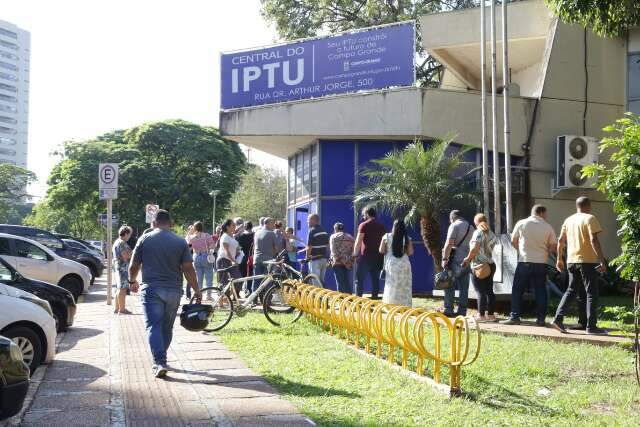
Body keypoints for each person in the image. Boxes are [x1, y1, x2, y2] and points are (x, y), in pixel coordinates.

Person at [128, 209, 201, 378]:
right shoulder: (180, 241)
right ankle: (161, 358)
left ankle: (159, 361)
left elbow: (134, 265)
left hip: (151, 289)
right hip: (174, 290)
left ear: (153, 223)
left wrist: (132, 282)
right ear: (171, 223)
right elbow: (188, 269)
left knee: (153, 325)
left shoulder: (144, 238)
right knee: (167, 327)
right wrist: (197, 290)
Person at [551, 197, 607, 334]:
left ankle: (561, 319)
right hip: (586, 261)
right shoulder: (590, 218)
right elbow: (593, 239)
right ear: (589, 205)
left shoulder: (568, 220)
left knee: (573, 291)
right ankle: (591, 327)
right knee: (592, 293)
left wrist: (559, 259)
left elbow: (560, 240)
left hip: (571, 260)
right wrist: (601, 260)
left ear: (577, 206)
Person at [502, 205, 557, 326]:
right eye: (545, 214)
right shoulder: (548, 227)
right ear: (542, 213)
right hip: (541, 263)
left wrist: (520, 251)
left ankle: (515, 317)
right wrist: (545, 253)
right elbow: (553, 246)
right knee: (540, 291)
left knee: (517, 290)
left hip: (524, 261)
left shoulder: (522, 223)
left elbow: (513, 241)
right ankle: (541, 319)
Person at [462, 214, 498, 322]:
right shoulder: (491, 233)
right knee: (489, 291)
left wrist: (467, 259)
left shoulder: (478, 232)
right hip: (491, 265)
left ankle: (481, 315)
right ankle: (491, 315)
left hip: (479, 266)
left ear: (476, 222)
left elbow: (474, 248)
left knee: (480, 291)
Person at [441, 210, 473, 317]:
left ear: (452, 218)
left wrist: (445, 259)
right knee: (464, 287)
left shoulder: (454, 226)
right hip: (467, 260)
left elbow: (449, 244)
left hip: (454, 259)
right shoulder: (471, 227)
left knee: (449, 284)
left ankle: (449, 310)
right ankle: (462, 311)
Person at [353, 207, 386, 298]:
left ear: (367, 214)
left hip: (366, 257)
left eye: (363, 215)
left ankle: (358, 300)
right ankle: (374, 299)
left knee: (359, 280)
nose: (363, 217)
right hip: (378, 257)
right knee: (375, 280)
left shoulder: (363, 225)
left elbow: (358, 241)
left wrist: (355, 254)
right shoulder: (381, 226)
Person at [379, 219, 413, 306]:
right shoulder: (407, 238)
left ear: (393, 226)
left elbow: (381, 250)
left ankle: (390, 304)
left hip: (392, 263)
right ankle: (404, 304)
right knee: (404, 285)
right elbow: (410, 252)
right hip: (404, 263)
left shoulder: (386, 236)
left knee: (391, 284)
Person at [185, 221, 215, 299]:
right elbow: (212, 245)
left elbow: (187, 244)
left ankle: (199, 294)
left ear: (194, 228)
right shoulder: (206, 236)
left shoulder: (192, 237)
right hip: (206, 256)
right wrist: (210, 251)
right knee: (209, 277)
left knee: (199, 278)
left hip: (196, 257)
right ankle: (208, 295)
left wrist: (190, 232)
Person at [253, 217, 277, 298]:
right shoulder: (272, 233)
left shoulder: (257, 233)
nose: (273, 225)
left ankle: (254, 299)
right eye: (272, 223)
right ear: (267, 223)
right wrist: (273, 256)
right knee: (268, 280)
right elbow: (275, 248)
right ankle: (267, 299)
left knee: (256, 279)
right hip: (268, 260)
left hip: (257, 259)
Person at [112, 226, 133, 314]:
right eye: (129, 234)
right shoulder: (122, 243)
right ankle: (122, 309)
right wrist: (132, 255)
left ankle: (117, 308)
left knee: (118, 288)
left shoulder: (116, 242)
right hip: (122, 268)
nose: (130, 237)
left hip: (117, 267)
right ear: (126, 234)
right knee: (123, 289)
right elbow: (125, 255)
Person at [329, 223, 355, 293]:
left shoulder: (333, 237)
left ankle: (347, 298)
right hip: (348, 262)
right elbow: (353, 251)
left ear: (335, 229)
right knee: (346, 280)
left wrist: (340, 259)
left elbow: (333, 251)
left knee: (340, 281)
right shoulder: (350, 237)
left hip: (337, 262)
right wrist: (350, 261)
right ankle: (343, 299)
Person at [216, 219, 242, 288]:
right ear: (227, 227)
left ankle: (233, 297)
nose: (235, 226)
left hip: (231, 260)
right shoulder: (225, 237)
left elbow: (233, 248)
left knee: (237, 280)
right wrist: (233, 261)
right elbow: (226, 251)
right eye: (233, 225)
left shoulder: (231, 236)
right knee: (224, 283)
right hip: (224, 260)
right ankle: (223, 297)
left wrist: (238, 252)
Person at [306, 214, 329, 286]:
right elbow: (327, 245)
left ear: (314, 220)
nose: (307, 222)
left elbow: (309, 247)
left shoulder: (312, 231)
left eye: (308, 220)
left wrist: (307, 257)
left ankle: (318, 297)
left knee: (316, 283)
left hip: (314, 260)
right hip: (323, 259)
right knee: (321, 282)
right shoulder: (324, 230)